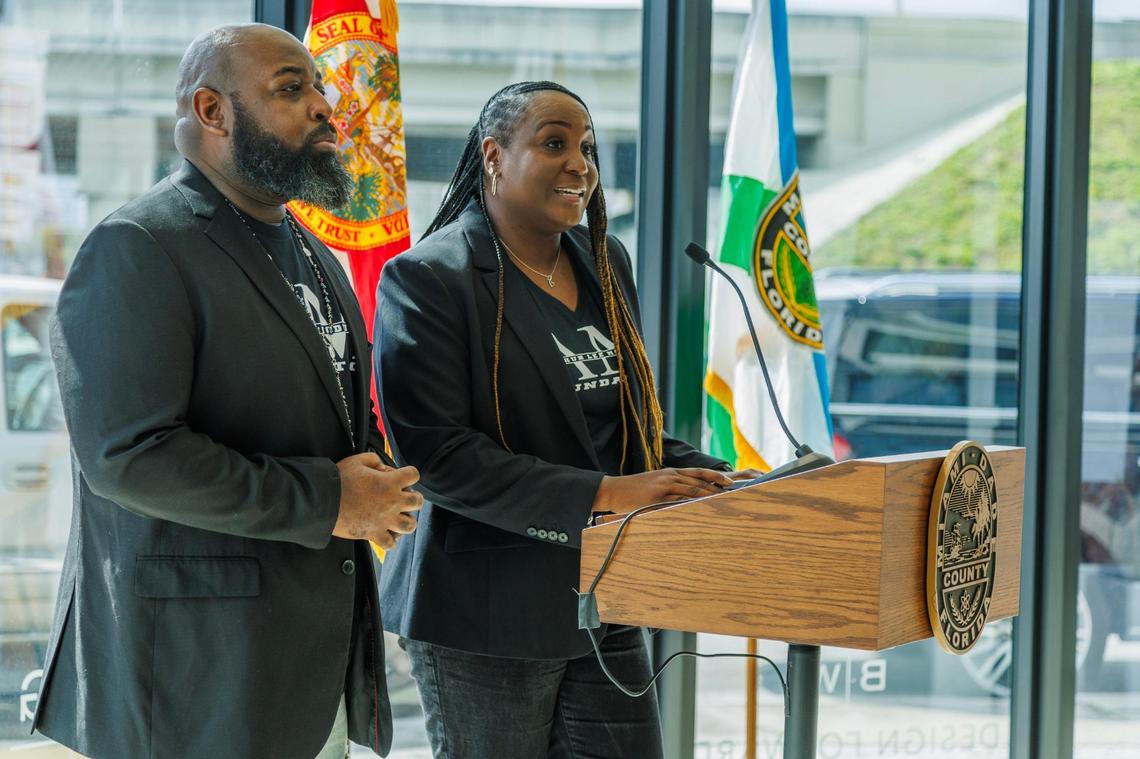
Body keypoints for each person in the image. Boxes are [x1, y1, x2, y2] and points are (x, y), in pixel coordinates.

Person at [31, 24, 422, 759]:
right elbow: (129, 456)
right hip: (193, 684)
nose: (324, 106)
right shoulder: (138, 246)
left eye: (318, 87)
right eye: (290, 88)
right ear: (211, 112)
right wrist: (330, 500)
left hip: (309, 672)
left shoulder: (313, 251)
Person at [375, 81, 753, 758]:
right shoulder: (431, 278)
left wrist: (709, 475)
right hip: (482, 604)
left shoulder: (606, 262)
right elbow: (438, 458)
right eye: (554, 144)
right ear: (493, 155)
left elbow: (618, 425)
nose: (580, 163)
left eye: (587, 147)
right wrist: (606, 493)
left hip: (603, 592)